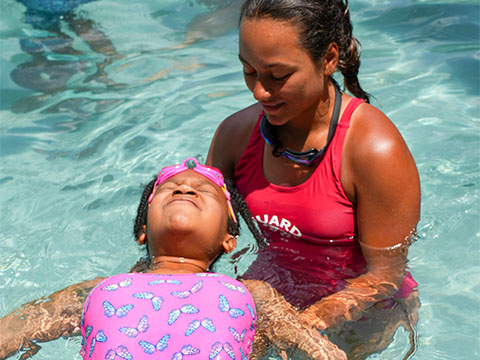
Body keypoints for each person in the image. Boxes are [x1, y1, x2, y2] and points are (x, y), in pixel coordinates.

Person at [206, 0, 421, 358]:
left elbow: (385, 276)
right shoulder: (236, 136)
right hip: (270, 300)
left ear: (329, 59)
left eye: (278, 76)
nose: (259, 92)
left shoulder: (374, 150)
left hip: (363, 316)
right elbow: (200, 240)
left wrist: (300, 324)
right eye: (249, 71)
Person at [0, 157, 346, 360]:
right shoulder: (94, 291)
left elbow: (316, 349)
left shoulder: (255, 294)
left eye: (203, 191)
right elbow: (10, 333)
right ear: (143, 231)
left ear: (229, 238)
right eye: (170, 188)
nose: (184, 189)